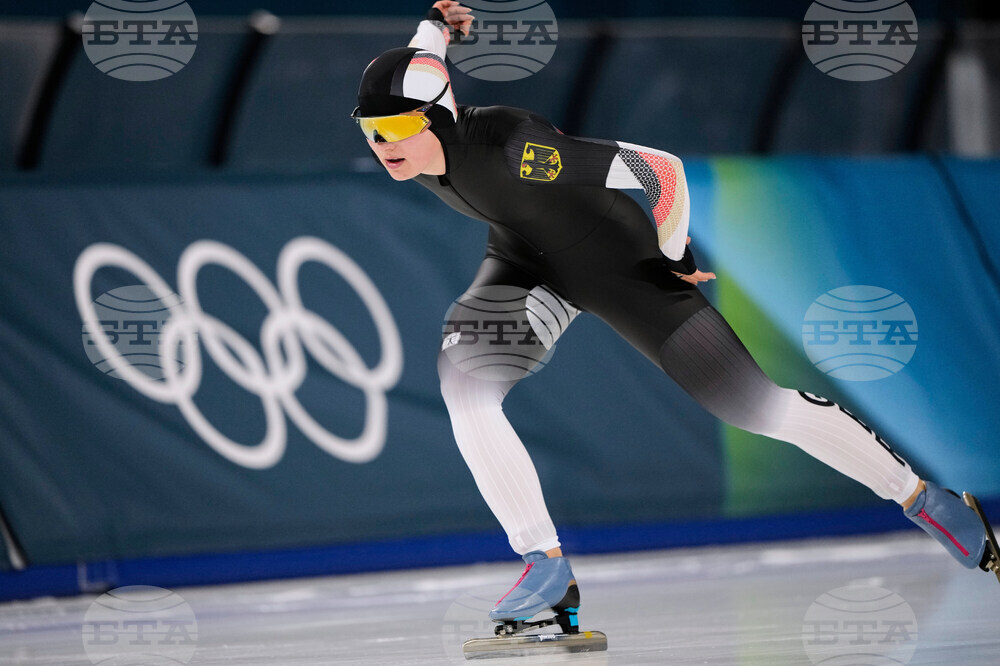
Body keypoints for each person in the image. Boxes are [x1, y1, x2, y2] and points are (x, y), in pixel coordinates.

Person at [352, 0, 999, 639]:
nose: (384, 145)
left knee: (757, 407)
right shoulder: (419, 122)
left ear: (440, 117)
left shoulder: (516, 150)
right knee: (466, 389)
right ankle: (546, 570)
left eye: (398, 128)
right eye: (372, 131)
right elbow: (425, 61)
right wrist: (439, 26)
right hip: (525, 259)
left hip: (621, 266)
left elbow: (657, 168)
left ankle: (925, 500)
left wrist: (674, 255)